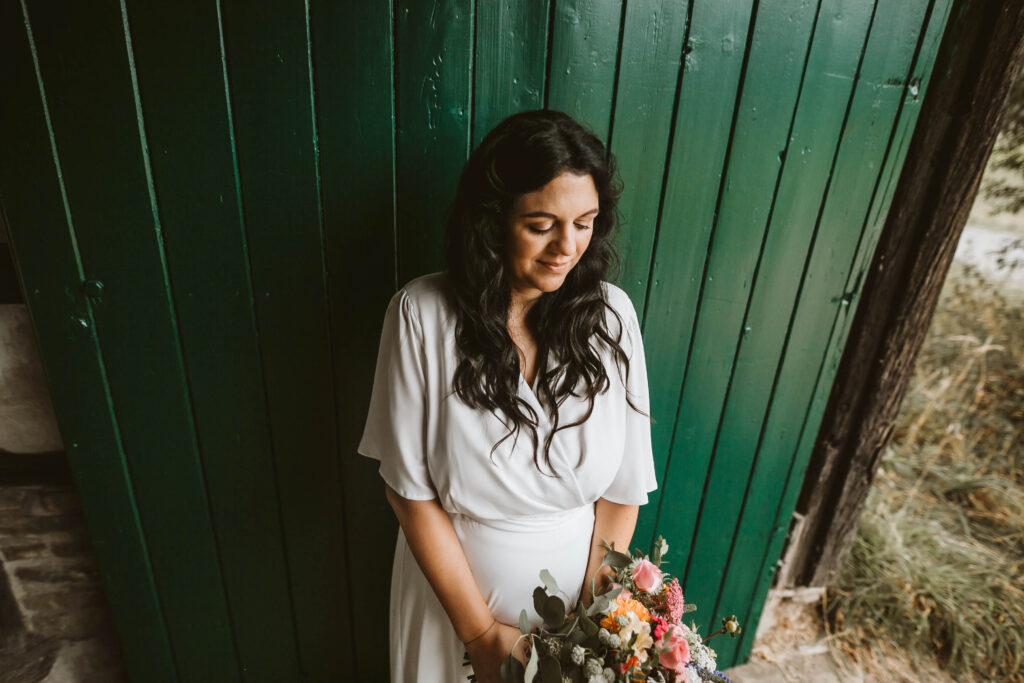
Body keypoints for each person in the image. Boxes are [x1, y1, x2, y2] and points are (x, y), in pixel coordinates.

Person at [356, 108, 658, 683]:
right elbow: (409, 494)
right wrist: (482, 636)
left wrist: (589, 624)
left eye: (585, 223)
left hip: (576, 620)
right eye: (541, 225)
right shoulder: (421, 315)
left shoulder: (612, 318)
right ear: (493, 221)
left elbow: (623, 491)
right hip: (451, 611)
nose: (566, 247)